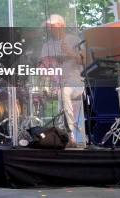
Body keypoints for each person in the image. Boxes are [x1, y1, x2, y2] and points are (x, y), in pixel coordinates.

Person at [39, 14, 86, 147]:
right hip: (56, 84)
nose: (50, 29)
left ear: (62, 26)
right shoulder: (46, 45)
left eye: (53, 26)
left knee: (64, 92)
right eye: (49, 27)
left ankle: (71, 136)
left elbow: (86, 61)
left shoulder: (74, 40)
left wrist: (70, 53)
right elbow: (43, 68)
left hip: (75, 83)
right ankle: (44, 136)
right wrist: (43, 68)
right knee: (44, 94)